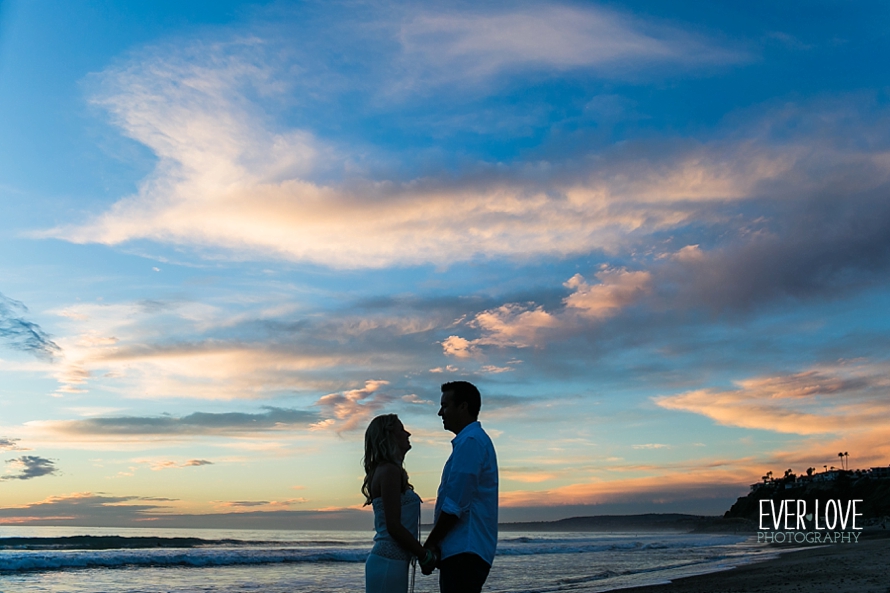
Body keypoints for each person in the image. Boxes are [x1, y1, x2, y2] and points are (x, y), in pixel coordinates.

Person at [423, 381, 498, 593]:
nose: (440, 412)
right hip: (463, 550)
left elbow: (455, 504)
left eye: (445, 406)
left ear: (463, 407)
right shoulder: (469, 442)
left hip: (465, 550)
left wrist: (430, 543)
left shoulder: (471, 442)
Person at [363, 414, 437, 593]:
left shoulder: (389, 470)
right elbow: (393, 526)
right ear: (389, 436)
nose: (408, 434)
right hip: (389, 562)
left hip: (393, 562)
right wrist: (424, 555)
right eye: (402, 430)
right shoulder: (389, 471)